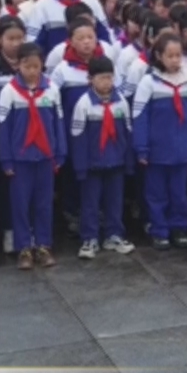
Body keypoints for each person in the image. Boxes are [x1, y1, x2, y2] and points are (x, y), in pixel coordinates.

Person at [0, 43, 63, 270]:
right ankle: (23, 247)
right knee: (20, 204)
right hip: (20, 158)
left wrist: (60, 153)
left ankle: (44, 245)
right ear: (18, 65)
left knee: (44, 203)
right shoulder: (9, 91)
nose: (32, 71)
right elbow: (3, 127)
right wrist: (6, 159)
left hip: (45, 156)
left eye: (36, 66)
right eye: (27, 66)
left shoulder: (51, 89)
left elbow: (58, 123)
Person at [132, 31, 187, 249]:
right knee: (156, 193)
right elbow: (139, 116)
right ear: (159, 56)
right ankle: (159, 229)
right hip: (157, 150)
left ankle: (179, 227)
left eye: (178, 55)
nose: (174, 60)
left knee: (179, 192)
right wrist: (141, 147)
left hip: (182, 149)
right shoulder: (148, 82)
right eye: (170, 56)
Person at [68, 55, 135, 259]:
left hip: (116, 162)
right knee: (90, 203)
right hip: (92, 164)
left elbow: (127, 132)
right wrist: (80, 166)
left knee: (115, 201)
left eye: (110, 77)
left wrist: (128, 162)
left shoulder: (121, 102)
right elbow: (77, 137)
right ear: (90, 79)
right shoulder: (84, 104)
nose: (107, 82)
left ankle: (114, 234)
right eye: (102, 78)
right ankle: (90, 238)